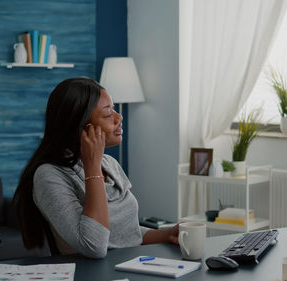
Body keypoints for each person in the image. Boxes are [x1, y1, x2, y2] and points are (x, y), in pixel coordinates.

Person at [13, 77, 179, 258]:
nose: (119, 117)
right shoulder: (49, 175)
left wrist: (168, 233)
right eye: (108, 114)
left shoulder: (109, 164)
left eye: (114, 110)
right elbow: (94, 246)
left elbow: (126, 234)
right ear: (80, 126)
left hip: (132, 267)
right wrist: (92, 167)